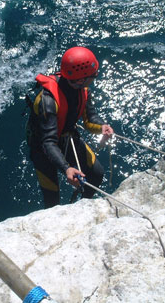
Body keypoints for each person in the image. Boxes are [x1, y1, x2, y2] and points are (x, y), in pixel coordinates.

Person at [27, 46, 114, 208]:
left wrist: (102, 126)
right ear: (80, 79)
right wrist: (67, 169)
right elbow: (48, 142)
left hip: (66, 137)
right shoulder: (48, 101)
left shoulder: (82, 88)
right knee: (52, 201)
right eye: (93, 76)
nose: (95, 77)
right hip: (43, 149)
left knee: (96, 174)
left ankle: (82, 207)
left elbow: (90, 119)